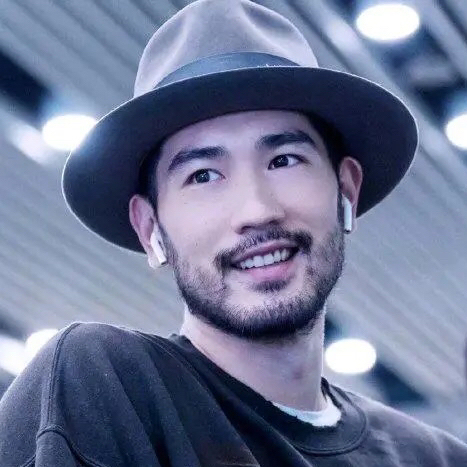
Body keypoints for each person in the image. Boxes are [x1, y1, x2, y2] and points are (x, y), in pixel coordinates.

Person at [1, 0, 466, 465]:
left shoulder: (436, 458)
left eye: (284, 160)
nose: (257, 210)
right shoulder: (104, 385)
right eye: (203, 175)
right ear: (149, 227)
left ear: (345, 188)